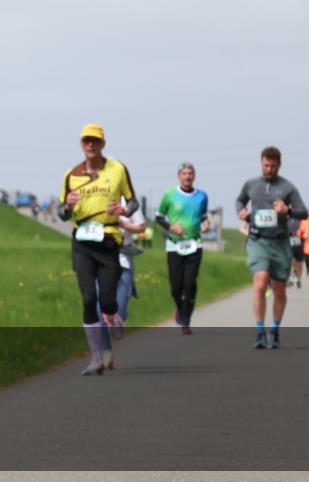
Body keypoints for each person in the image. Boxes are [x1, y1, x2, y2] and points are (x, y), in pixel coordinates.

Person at [58, 124, 140, 375]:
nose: (90, 145)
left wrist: (124, 210)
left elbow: (133, 201)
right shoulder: (71, 175)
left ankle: (113, 315)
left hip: (108, 240)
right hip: (82, 241)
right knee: (87, 299)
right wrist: (68, 207)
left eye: (95, 141)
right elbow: (61, 213)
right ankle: (96, 356)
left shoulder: (117, 169)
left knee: (106, 301)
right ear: (81, 144)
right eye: (86, 141)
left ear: (103, 144)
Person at [235, 146, 307, 350]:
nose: (269, 169)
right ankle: (259, 331)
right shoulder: (251, 184)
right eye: (266, 165)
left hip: (280, 242)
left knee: (279, 289)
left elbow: (303, 212)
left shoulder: (288, 187)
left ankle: (274, 330)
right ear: (261, 163)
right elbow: (240, 200)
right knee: (260, 283)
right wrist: (241, 211)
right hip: (258, 240)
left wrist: (288, 210)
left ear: (279, 165)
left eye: (273, 166)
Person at [155, 162, 210, 335]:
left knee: (189, 282)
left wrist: (206, 222)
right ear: (179, 176)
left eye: (190, 173)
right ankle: (180, 308)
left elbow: (202, 216)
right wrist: (171, 227)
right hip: (174, 244)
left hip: (195, 243)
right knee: (175, 286)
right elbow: (158, 217)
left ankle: (186, 320)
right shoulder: (169, 195)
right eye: (184, 173)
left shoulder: (202, 196)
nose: (187, 176)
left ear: (194, 176)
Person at [96, 208, 147, 369]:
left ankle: (119, 318)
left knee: (121, 308)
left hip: (122, 258)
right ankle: (105, 351)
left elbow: (141, 226)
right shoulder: (93, 193)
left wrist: (123, 224)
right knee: (100, 308)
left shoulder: (128, 200)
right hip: (99, 257)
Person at [287, 216, 306, 289]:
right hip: (288, 243)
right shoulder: (285, 219)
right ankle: (289, 279)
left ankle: (298, 279)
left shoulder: (301, 220)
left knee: (298, 263)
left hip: (299, 244)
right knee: (290, 262)